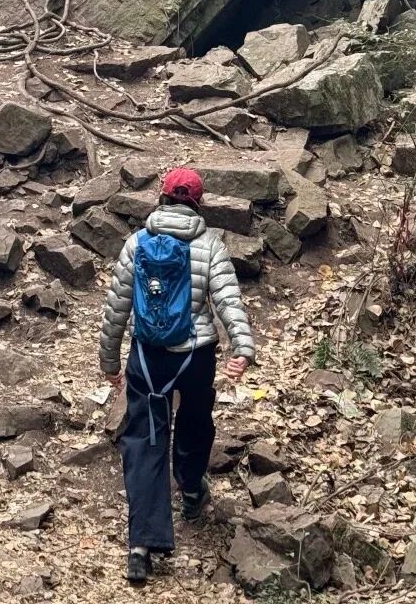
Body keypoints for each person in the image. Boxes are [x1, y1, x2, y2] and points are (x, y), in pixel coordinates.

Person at [99, 167, 256, 585]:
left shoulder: (136, 244)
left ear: (162, 198)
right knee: (195, 420)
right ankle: (190, 489)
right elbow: (227, 299)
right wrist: (243, 348)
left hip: (148, 356)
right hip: (196, 355)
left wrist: (110, 362)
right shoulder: (210, 245)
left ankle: (141, 546)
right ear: (197, 204)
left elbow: (117, 308)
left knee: (144, 438)